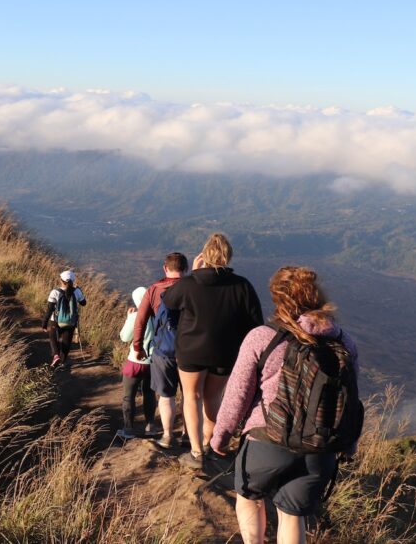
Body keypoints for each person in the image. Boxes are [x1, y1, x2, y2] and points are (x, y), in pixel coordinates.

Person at [210, 266, 360, 544]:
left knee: (249, 498)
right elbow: (350, 398)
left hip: (267, 442)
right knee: (292, 516)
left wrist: (221, 434)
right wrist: (348, 445)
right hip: (320, 450)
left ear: (279, 298)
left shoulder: (263, 337)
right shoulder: (343, 341)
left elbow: (238, 394)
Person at [162, 233, 263, 470]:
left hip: (190, 351)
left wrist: (193, 273)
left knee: (191, 397)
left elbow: (168, 301)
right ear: (228, 256)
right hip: (225, 354)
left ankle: (196, 453)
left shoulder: (189, 284)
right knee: (213, 399)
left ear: (204, 255)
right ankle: (210, 446)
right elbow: (255, 323)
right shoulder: (242, 286)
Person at [132, 252, 189, 448]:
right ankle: (187, 435)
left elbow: (140, 321)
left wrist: (137, 346)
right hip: (190, 351)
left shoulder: (154, 289)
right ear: (186, 268)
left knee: (166, 396)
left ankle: (167, 436)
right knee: (189, 396)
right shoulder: (193, 288)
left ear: (165, 268)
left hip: (163, 351)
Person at [117, 286, 156, 440]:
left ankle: (128, 429)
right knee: (149, 394)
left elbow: (125, 337)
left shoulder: (135, 317)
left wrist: (128, 318)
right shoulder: (157, 315)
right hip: (153, 362)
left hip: (135, 361)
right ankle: (150, 427)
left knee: (128, 396)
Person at [41, 269, 86, 368]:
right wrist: (79, 290)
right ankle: (62, 362)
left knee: (53, 337)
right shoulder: (77, 291)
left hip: (56, 321)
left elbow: (50, 309)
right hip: (71, 321)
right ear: (73, 281)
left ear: (61, 280)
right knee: (66, 342)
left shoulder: (55, 292)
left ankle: (56, 355)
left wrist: (44, 323)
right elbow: (83, 303)